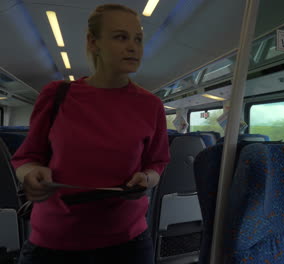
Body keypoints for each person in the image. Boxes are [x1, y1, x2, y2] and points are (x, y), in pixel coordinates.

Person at [12, 4, 170, 264]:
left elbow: (157, 162)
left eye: (138, 39)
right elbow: (26, 158)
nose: (133, 47)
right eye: (121, 37)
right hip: (54, 240)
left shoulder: (151, 105)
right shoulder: (57, 95)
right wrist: (30, 175)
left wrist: (146, 178)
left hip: (128, 241)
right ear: (93, 42)